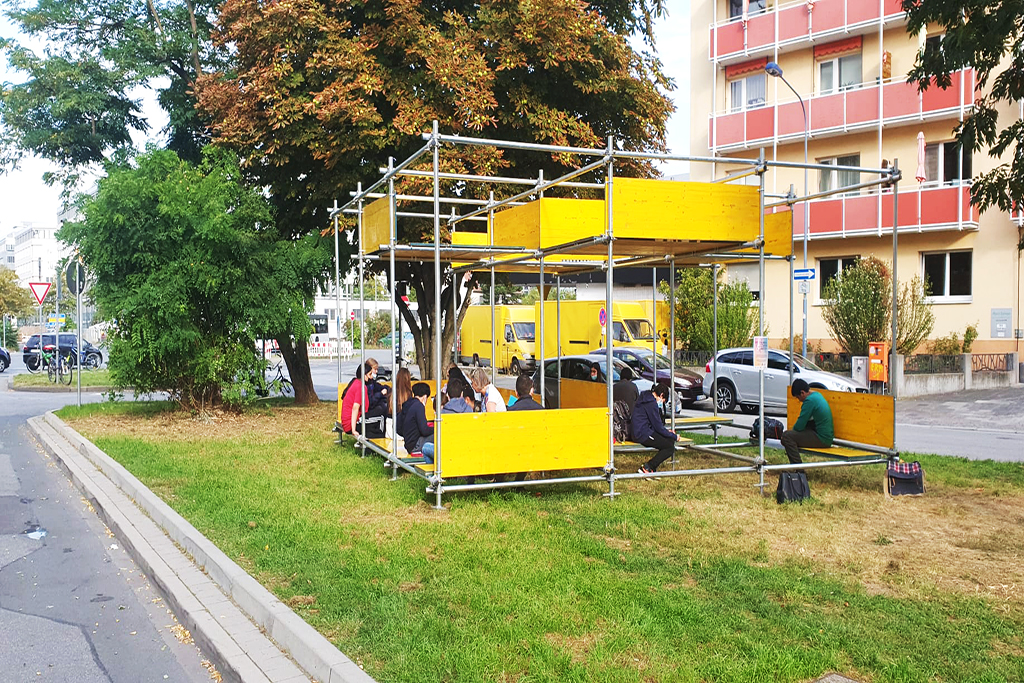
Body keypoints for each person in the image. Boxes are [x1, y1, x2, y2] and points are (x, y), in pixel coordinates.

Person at [781, 379, 834, 465]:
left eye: (798, 397)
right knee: (789, 436)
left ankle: (798, 469)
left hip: (822, 438)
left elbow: (799, 426)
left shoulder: (809, 401)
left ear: (802, 393)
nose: (799, 400)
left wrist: (791, 433)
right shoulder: (817, 395)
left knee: (787, 436)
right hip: (825, 436)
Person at [633, 384, 680, 474]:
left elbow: (656, 426)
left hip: (641, 431)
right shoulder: (651, 404)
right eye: (663, 401)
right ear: (661, 395)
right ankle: (648, 467)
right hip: (642, 434)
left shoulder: (645, 398)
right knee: (670, 448)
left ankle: (651, 467)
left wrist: (668, 434)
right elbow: (658, 427)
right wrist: (674, 436)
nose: (661, 403)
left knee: (669, 441)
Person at [422, 383, 475, 463]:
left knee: (425, 448)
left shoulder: (442, 414)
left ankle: (434, 475)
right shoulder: (470, 410)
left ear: (448, 396)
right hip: (466, 451)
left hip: (447, 452)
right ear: (461, 394)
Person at [341, 363, 387, 439]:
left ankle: (372, 434)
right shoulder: (361, 387)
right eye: (369, 374)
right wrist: (353, 429)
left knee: (378, 411)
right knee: (381, 416)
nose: (371, 377)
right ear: (364, 375)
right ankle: (382, 437)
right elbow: (355, 408)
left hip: (350, 421)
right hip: (352, 423)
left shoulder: (355, 382)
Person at [399, 382, 434, 454]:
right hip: (416, 444)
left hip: (408, 444)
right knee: (440, 434)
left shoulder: (408, 404)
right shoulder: (419, 406)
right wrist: (436, 428)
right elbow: (424, 430)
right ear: (425, 397)